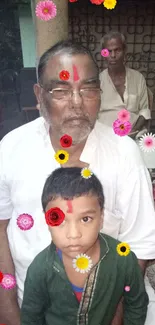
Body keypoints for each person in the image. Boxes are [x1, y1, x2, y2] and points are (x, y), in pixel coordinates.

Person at [0, 40, 155, 325]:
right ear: (39, 95)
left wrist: (114, 314)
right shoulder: (11, 148)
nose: (76, 102)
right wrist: (7, 306)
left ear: (100, 93)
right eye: (60, 90)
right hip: (28, 308)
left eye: (88, 89)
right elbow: (1, 227)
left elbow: (139, 246)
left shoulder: (124, 154)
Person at [21, 167, 148, 325]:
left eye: (86, 219)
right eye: (59, 220)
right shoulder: (40, 269)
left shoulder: (123, 260)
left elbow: (136, 304)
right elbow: (31, 318)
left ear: (101, 218)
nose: (73, 234)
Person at [98, 31, 151, 140]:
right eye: (108, 51)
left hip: (135, 135)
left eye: (117, 50)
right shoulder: (98, 81)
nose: (113, 55)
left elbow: (144, 111)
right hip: (105, 137)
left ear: (124, 51)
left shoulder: (138, 78)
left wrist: (133, 131)